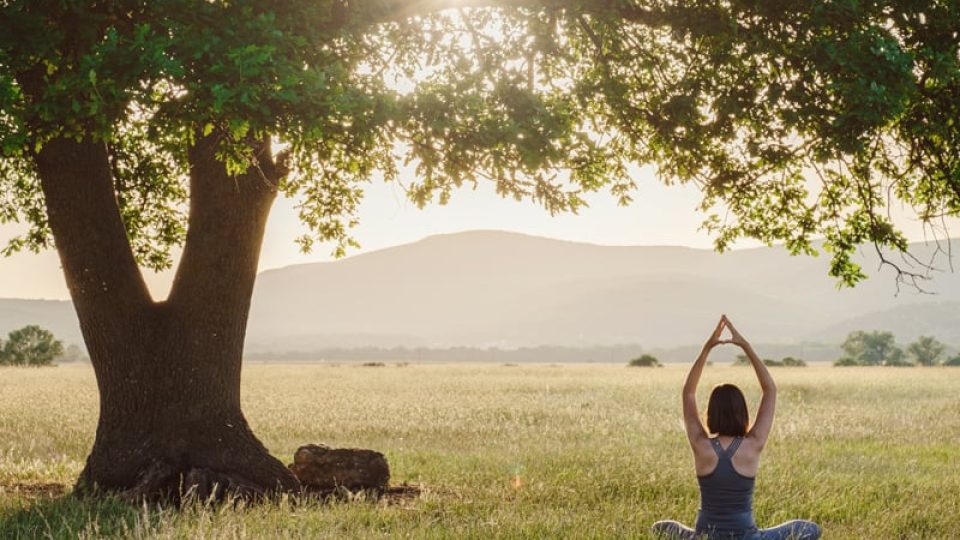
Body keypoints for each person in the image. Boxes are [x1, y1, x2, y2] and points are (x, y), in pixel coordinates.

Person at [651, 315, 821, 540]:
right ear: (743, 412)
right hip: (747, 537)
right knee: (810, 529)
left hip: (704, 537)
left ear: (710, 414)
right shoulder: (754, 444)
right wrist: (744, 345)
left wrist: (707, 349)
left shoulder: (700, 445)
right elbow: (770, 389)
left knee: (661, 527)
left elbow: (688, 392)